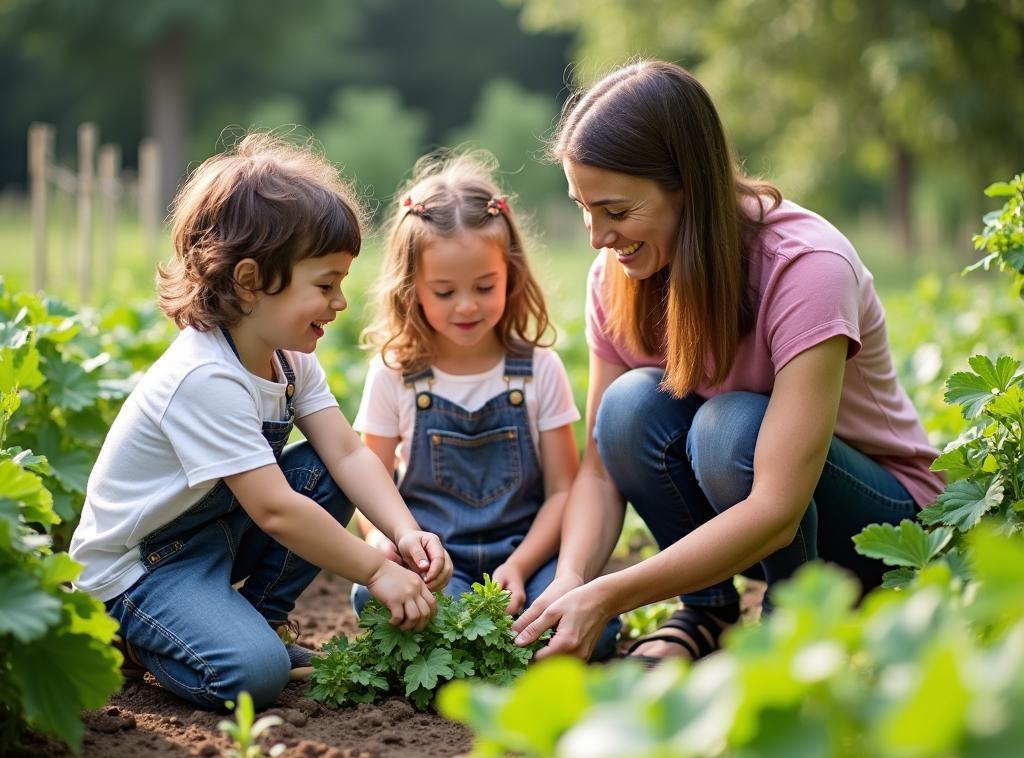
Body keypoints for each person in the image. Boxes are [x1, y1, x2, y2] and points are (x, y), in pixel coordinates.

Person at [511, 60, 943, 664]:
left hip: (885, 522)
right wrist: (573, 577)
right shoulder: (616, 276)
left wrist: (612, 596)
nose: (597, 236)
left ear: (687, 183)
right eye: (584, 208)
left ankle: (795, 628)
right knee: (629, 408)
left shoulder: (805, 265)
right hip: (770, 504)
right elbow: (602, 472)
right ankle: (706, 610)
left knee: (729, 427)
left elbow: (776, 509)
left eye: (615, 210)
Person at [70, 134, 452, 710]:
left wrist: (403, 532)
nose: (341, 302)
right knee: (255, 677)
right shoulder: (205, 377)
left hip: (213, 537)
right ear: (250, 281)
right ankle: (138, 643)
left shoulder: (290, 356)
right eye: (325, 285)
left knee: (325, 466)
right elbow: (274, 508)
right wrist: (377, 571)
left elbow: (347, 455)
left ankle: (258, 621)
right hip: (140, 572)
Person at [351, 152, 619, 660]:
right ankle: (506, 647)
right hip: (436, 565)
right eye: (445, 291)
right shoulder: (394, 374)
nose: (467, 306)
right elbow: (373, 489)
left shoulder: (539, 368)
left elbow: (563, 490)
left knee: (594, 624)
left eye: (484, 286)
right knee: (375, 597)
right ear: (413, 289)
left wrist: (518, 566)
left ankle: (499, 640)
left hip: (526, 552)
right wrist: (384, 544)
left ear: (510, 275)